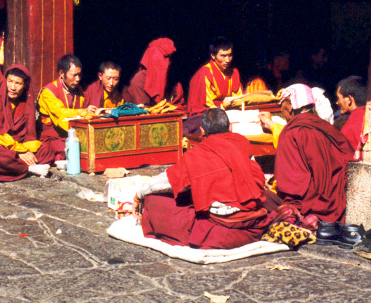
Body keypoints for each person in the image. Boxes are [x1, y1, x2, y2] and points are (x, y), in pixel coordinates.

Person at [134, 108, 272, 249]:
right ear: (230, 127)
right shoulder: (243, 143)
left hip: (224, 220)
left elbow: (167, 181)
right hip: (253, 216)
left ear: (202, 130)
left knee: (155, 201)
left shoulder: (198, 153)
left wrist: (140, 193)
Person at [274, 84, 352, 223]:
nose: (281, 109)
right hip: (337, 201)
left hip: (308, 205)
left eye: (282, 104)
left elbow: (291, 185)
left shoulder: (292, 132)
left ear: (290, 106)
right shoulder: (328, 127)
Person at [37, 54, 98, 159]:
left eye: (79, 75)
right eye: (74, 75)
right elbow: (61, 113)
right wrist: (82, 111)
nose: (78, 79)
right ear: (61, 73)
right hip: (53, 138)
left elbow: (85, 112)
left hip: (74, 136)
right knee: (72, 150)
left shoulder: (79, 92)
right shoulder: (49, 92)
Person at [185, 36, 242, 135]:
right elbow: (205, 105)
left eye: (230, 55)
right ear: (213, 55)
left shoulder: (233, 72)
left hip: (229, 113)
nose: (227, 60)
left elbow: (239, 98)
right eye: (223, 56)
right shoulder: (205, 73)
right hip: (209, 116)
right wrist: (222, 109)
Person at [123, 38, 184, 108]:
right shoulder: (140, 80)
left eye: (170, 58)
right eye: (165, 58)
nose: (169, 62)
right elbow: (144, 114)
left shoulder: (172, 79)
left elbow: (178, 104)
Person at [335, 75, 366, 159]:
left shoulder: (350, 128)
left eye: (338, 98)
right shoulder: (367, 116)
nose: (337, 102)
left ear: (349, 99)